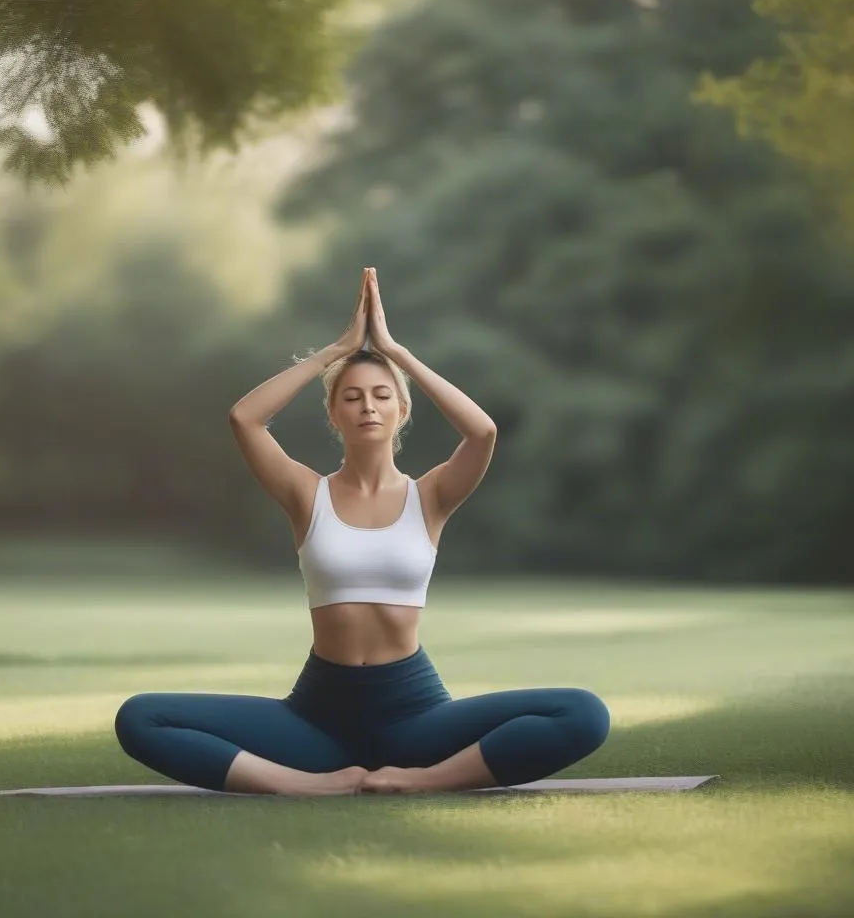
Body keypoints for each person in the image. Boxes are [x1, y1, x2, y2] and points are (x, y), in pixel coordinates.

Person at [114, 267, 611, 795]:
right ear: (334, 413)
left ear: (402, 409)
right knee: (141, 718)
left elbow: (482, 430)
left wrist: (397, 353)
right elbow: (245, 419)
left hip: (415, 716)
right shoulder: (307, 494)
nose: (367, 406)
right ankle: (305, 786)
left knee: (582, 713)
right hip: (315, 720)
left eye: (381, 395)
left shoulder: (431, 497)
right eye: (351, 397)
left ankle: (423, 783)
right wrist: (334, 352)